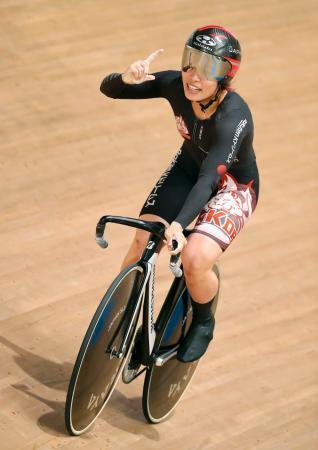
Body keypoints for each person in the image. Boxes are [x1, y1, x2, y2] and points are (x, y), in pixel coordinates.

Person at [100, 25, 259, 363]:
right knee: (143, 241)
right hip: (188, 168)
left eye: (208, 67)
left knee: (194, 259)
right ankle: (124, 317)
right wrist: (126, 78)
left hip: (231, 185)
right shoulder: (176, 84)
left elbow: (209, 180)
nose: (193, 75)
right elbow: (110, 90)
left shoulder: (235, 117)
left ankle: (203, 321)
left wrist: (179, 224)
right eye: (190, 61)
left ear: (225, 75)